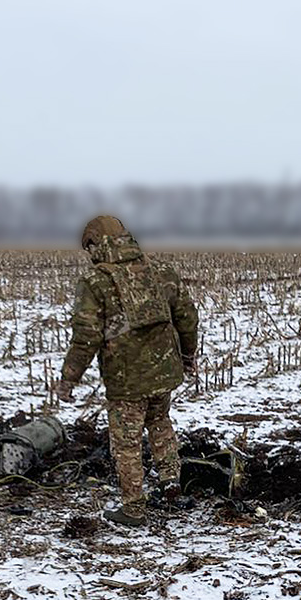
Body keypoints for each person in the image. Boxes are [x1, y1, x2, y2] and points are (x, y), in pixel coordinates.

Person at [56, 215, 199, 527]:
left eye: (90, 246)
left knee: (126, 442)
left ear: (97, 245)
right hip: (165, 372)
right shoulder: (160, 271)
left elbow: (87, 337)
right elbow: (187, 317)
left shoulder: (96, 282)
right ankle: (172, 487)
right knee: (161, 423)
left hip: (126, 380)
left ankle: (133, 508)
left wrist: (68, 379)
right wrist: (188, 355)